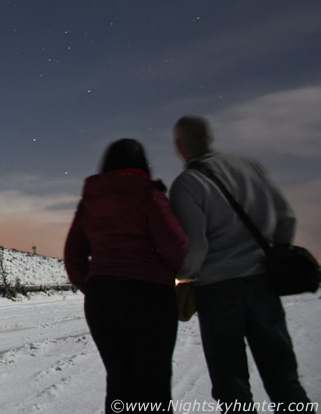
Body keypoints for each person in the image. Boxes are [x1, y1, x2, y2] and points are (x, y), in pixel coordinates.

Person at [169, 115, 312, 408]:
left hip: (218, 289)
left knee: (231, 383)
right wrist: (275, 255)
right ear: (210, 138)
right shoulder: (250, 167)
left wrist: (181, 277)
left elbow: (195, 247)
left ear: (179, 146)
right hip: (263, 281)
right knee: (283, 376)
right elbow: (287, 218)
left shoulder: (187, 183)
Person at [64, 139, 188, 414]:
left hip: (102, 299)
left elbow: (73, 255)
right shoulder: (148, 195)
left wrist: (96, 285)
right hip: (150, 297)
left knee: (119, 381)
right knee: (153, 385)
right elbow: (177, 250)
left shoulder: (90, 201)